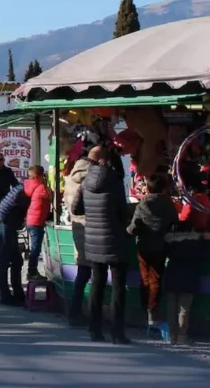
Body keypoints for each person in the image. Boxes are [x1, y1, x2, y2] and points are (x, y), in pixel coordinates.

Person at [72, 144, 131, 344]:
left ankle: (94, 329)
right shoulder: (114, 181)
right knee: (118, 287)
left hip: (93, 239)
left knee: (96, 284)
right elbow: (123, 212)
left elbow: (76, 209)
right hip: (114, 239)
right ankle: (117, 332)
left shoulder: (85, 180)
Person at [128, 173, 178, 326]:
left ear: (147, 188)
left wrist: (129, 230)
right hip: (161, 244)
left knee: (144, 278)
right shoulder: (168, 203)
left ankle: (146, 309)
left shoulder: (143, 203)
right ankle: (153, 310)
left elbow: (134, 225)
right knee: (156, 278)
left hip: (143, 244)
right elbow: (175, 223)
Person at [163, 213, 210, 344]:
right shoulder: (196, 244)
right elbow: (209, 257)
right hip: (189, 277)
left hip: (171, 276)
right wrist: (208, 241)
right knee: (184, 308)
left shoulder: (169, 243)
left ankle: (172, 336)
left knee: (171, 307)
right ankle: (182, 337)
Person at [65, 153, 94, 327]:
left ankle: (74, 311)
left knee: (82, 273)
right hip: (91, 228)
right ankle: (86, 312)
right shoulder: (90, 181)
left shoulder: (71, 177)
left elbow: (74, 207)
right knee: (92, 274)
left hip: (78, 228)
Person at [23, 165, 51, 280]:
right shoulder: (41, 187)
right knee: (36, 248)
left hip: (31, 219)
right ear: (39, 176)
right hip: (37, 220)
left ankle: (32, 270)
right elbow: (51, 196)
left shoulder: (30, 185)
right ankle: (32, 271)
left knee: (34, 247)